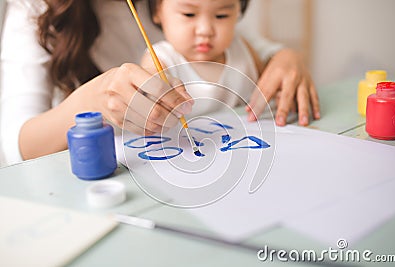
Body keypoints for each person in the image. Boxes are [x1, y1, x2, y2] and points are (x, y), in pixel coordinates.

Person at [0, 0, 319, 166]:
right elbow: (17, 145)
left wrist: (285, 56)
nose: (203, 28)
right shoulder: (35, 9)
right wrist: (90, 100)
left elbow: (245, 42)